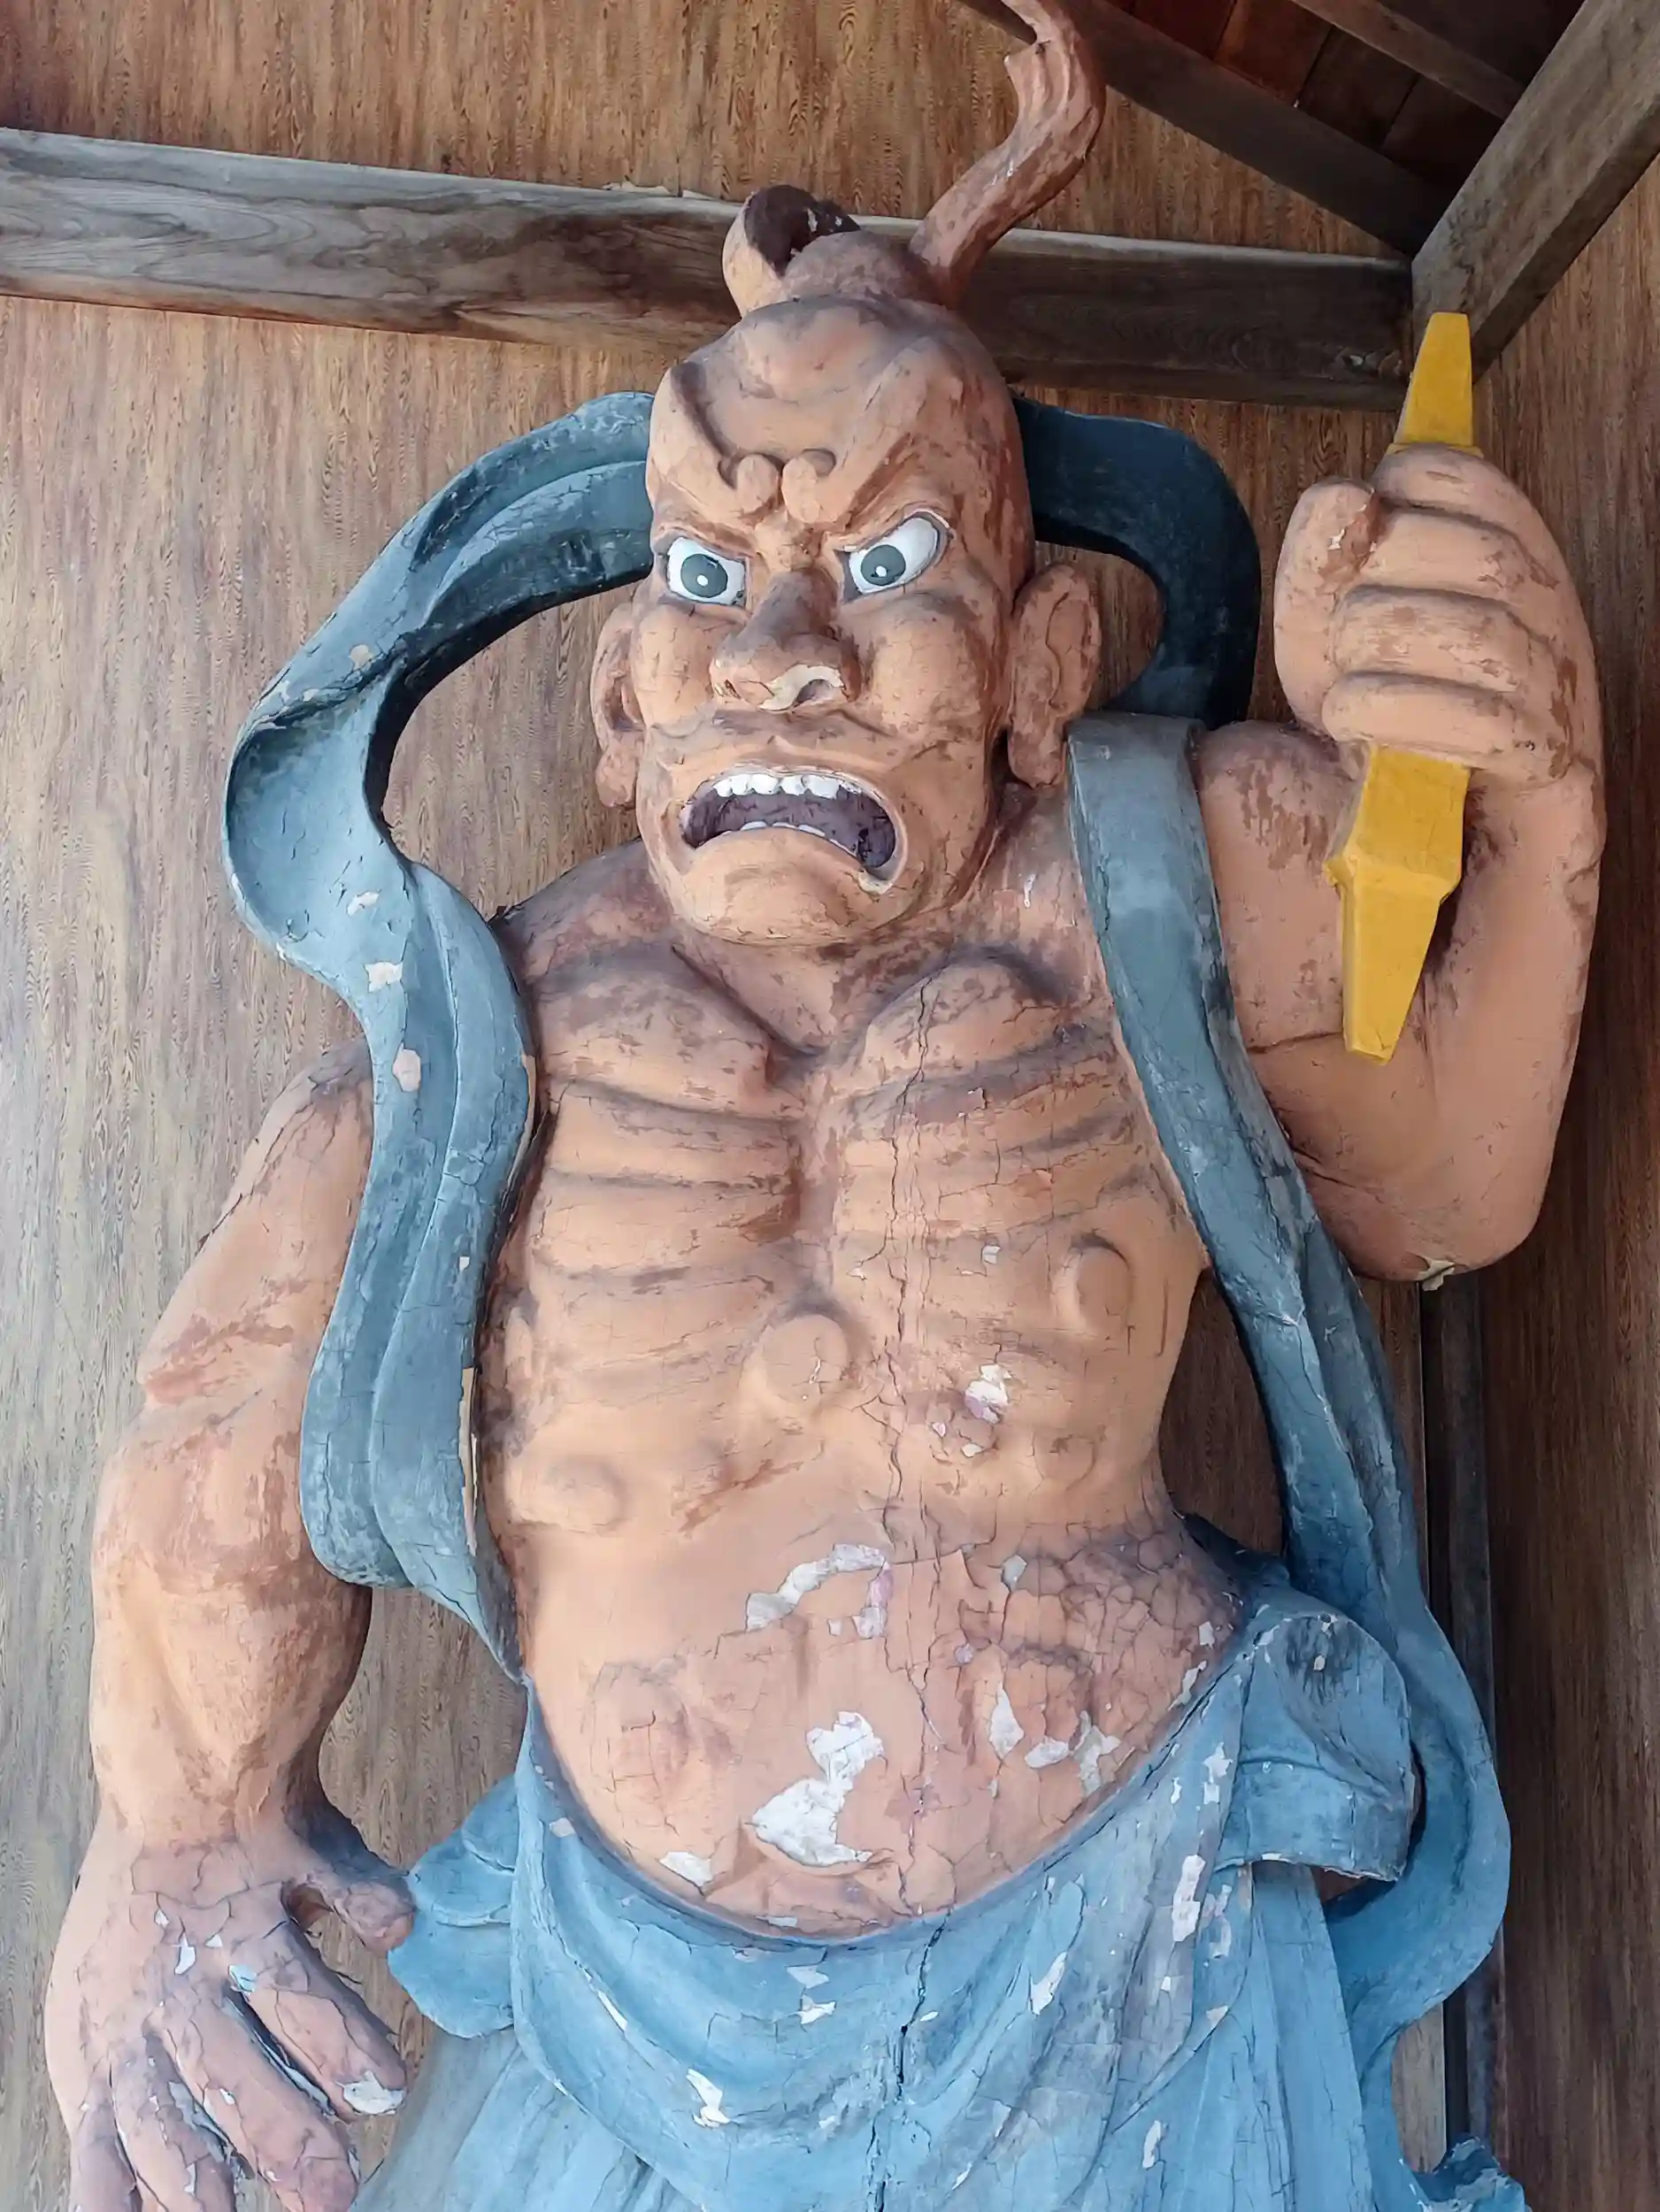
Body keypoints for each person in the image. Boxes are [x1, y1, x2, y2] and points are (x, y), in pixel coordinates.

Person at [45, 4, 1602, 2207]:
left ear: (1041, 665)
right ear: (619, 694)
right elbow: (213, 1446)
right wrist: (171, 1835)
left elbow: (1440, 1193)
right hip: (624, 2018)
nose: (782, 643)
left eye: (885, 566)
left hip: (1146, 1947)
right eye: (707, 569)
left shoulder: (1162, 882)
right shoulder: (476, 1032)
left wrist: (1527, 799)